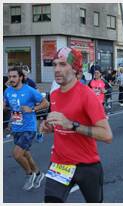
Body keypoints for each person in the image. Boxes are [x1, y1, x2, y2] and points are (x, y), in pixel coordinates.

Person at [40, 47, 113, 203]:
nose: (57, 69)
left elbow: (107, 135)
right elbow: (60, 125)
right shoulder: (54, 94)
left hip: (87, 165)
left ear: (75, 69)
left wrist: (72, 125)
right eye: (55, 65)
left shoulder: (87, 95)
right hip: (59, 164)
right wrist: (50, 127)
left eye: (63, 64)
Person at [3, 66, 49, 190]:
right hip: (16, 128)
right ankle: (39, 174)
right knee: (26, 154)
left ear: (21, 77)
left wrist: (32, 109)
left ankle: (30, 174)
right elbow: (5, 106)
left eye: (14, 77)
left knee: (17, 154)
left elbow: (46, 103)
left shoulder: (29, 90)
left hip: (29, 128)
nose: (11, 79)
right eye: (9, 76)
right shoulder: (7, 91)